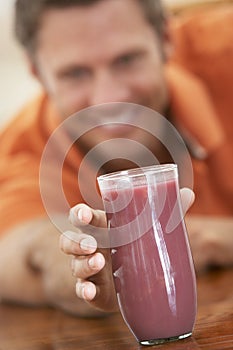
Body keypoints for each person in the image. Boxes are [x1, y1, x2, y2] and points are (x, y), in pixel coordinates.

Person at [0, 0, 232, 316]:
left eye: (127, 59)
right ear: (36, 72)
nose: (108, 98)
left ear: (166, 38)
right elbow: (21, 248)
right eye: (76, 73)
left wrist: (220, 238)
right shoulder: (20, 151)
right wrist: (84, 262)